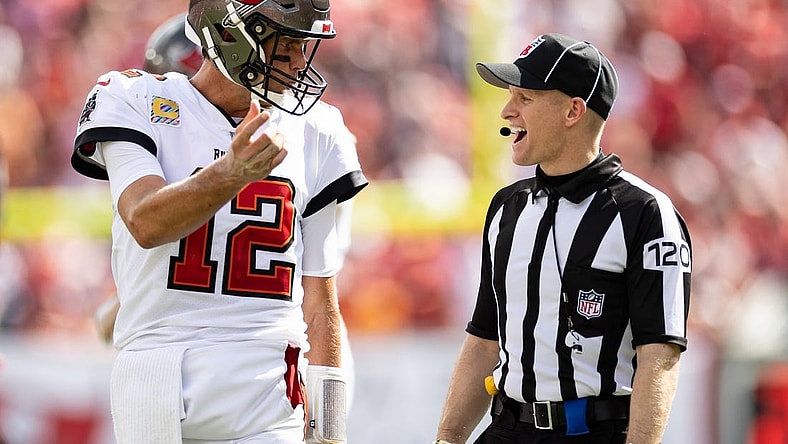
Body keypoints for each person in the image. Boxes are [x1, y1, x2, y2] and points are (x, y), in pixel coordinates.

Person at [71, 0, 367, 442]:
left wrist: (329, 429)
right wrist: (230, 173)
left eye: (304, 44)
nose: (298, 60)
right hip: (157, 371)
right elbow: (144, 221)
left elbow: (320, 301)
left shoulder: (319, 130)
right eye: (284, 42)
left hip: (268, 382)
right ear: (227, 34)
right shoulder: (134, 97)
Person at [433, 33, 691, 444]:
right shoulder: (506, 208)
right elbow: (484, 339)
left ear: (573, 111)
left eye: (526, 98)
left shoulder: (643, 212)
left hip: (593, 431)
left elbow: (659, 356)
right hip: (506, 428)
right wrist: (447, 438)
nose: (507, 111)